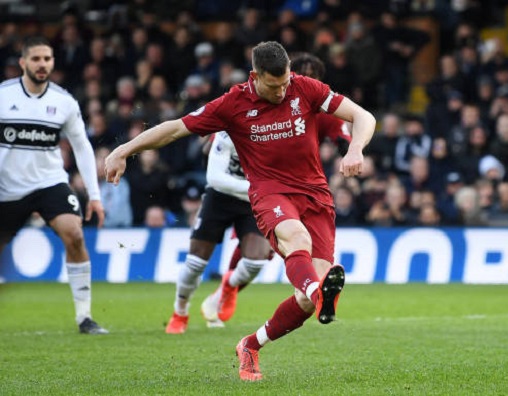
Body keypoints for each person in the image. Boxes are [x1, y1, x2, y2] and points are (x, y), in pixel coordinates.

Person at [105, 41, 375, 381]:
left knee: (306, 302)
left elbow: (363, 116)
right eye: (273, 86)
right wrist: (123, 150)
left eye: (285, 83)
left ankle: (251, 344)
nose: (281, 92)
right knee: (297, 239)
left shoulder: (304, 88)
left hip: (316, 196)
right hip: (270, 193)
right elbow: (175, 128)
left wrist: (356, 150)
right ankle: (316, 291)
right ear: (255, 76)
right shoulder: (232, 104)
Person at [196, 52, 352, 330]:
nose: (294, 88)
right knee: (266, 248)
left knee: (266, 256)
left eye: (312, 79)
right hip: (268, 188)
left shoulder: (320, 108)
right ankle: (225, 290)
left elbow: (343, 138)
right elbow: (214, 131)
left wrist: (353, 154)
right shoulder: (259, 104)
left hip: (308, 191)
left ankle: (228, 287)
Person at [0, 37, 108, 334]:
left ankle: (85, 317)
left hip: (49, 182)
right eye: (36, 59)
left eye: (47, 59)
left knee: (74, 234)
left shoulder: (63, 101)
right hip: (7, 186)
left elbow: (82, 147)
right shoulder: (3, 96)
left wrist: (94, 196)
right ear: (23, 62)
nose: (42, 64)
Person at [165, 130, 273, 333]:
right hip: (220, 199)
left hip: (253, 203)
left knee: (256, 261)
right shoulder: (228, 131)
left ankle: (226, 287)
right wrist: (258, 186)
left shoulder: (278, 133)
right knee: (195, 263)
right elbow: (215, 178)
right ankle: (180, 312)